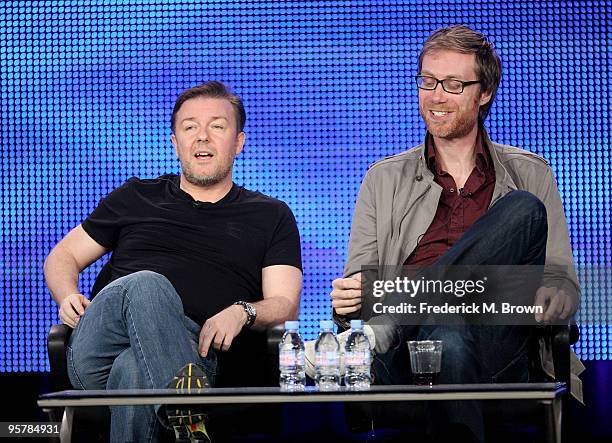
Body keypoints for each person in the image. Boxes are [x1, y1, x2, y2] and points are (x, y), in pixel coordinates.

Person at [323, 26, 580, 442]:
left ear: (484, 94)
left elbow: (560, 280)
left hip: (498, 341)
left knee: (523, 210)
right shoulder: (383, 179)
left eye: (453, 84)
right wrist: (351, 293)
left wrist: (558, 295)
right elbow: (362, 285)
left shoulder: (530, 173)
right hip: (403, 356)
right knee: (446, 332)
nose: (435, 96)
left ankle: (394, 322)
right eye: (428, 81)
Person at [44, 81, 303, 443]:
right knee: (147, 283)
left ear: (238, 143)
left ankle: (182, 411)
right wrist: (67, 294)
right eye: (190, 127)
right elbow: (63, 256)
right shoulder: (136, 196)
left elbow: (285, 304)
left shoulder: (270, 215)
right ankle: (187, 408)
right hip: (98, 352)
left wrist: (242, 311)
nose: (202, 137)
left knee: (133, 369)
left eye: (217, 126)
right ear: (175, 143)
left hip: (201, 357)